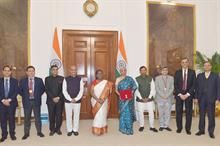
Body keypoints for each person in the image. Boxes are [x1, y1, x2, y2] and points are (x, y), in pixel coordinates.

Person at [195, 61, 220, 139]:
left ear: (210, 67)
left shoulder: (216, 76)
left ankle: (211, 131)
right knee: (201, 115)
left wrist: (218, 98)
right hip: (201, 99)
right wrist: (195, 97)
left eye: (208, 65)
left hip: (211, 99)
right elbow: (197, 88)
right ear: (203, 67)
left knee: (211, 116)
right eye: (205, 65)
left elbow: (218, 88)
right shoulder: (199, 76)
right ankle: (201, 130)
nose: (206, 67)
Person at [19, 66, 45, 140]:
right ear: (26, 72)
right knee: (27, 118)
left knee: (38, 118)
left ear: (34, 72)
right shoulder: (22, 81)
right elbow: (20, 91)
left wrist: (36, 95)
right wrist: (25, 96)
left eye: (32, 71)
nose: (31, 72)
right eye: (29, 71)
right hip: (27, 102)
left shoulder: (39, 80)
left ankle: (39, 132)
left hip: (36, 101)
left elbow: (43, 89)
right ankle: (26, 133)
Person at [174, 58, 196, 135]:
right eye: (183, 62)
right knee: (178, 112)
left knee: (189, 112)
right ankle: (179, 128)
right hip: (179, 95)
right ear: (181, 63)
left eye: (186, 62)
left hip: (189, 96)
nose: (184, 63)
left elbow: (194, 85)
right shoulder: (177, 72)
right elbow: (175, 85)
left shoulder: (192, 72)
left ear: (188, 63)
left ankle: (188, 129)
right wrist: (180, 94)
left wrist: (187, 94)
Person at [62, 65, 84, 136]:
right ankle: (69, 130)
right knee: (68, 115)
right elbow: (64, 90)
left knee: (76, 115)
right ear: (69, 70)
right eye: (72, 70)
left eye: (75, 70)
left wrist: (76, 99)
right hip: (68, 101)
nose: (73, 71)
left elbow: (81, 90)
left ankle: (75, 129)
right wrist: (70, 99)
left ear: (76, 71)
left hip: (77, 101)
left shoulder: (80, 79)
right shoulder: (66, 79)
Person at [135, 66, 158, 133]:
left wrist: (149, 97)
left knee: (151, 113)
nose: (143, 71)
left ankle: (152, 126)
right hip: (140, 99)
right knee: (140, 113)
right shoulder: (137, 79)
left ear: (146, 71)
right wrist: (141, 98)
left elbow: (153, 89)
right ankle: (141, 126)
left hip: (149, 99)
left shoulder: (150, 78)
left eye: (144, 70)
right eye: (141, 70)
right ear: (140, 71)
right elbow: (136, 90)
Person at [90, 69, 112, 136]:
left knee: (103, 114)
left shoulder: (106, 82)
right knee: (97, 115)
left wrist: (103, 98)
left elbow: (109, 92)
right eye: (98, 73)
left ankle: (103, 128)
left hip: (104, 101)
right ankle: (96, 130)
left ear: (103, 74)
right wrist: (97, 99)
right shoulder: (94, 82)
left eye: (101, 73)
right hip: (96, 101)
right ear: (96, 75)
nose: (100, 75)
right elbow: (91, 92)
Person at [115, 67, 137, 135]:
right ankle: (123, 128)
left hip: (129, 99)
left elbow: (134, 86)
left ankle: (129, 129)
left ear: (126, 71)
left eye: (124, 70)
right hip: (122, 99)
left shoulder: (130, 78)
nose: (123, 72)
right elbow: (116, 90)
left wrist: (131, 93)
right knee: (123, 113)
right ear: (120, 72)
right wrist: (120, 95)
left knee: (129, 113)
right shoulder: (117, 79)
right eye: (122, 71)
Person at [0, 65, 18, 142]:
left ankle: (12, 134)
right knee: (2, 120)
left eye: (8, 70)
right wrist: (3, 100)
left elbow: (16, 91)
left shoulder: (15, 81)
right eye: (5, 70)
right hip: (1, 103)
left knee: (11, 119)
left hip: (12, 103)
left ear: (10, 72)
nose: (7, 72)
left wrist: (9, 100)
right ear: (2, 72)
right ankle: (4, 135)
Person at [45, 65, 64, 136]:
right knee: (51, 115)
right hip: (50, 101)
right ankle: (52, 129)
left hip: (60, 100)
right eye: (53, 69)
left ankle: (58, 129)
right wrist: (53, 97)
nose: (55, 71)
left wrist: (58, 97)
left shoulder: (62, 78)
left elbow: (63, 90)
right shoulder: (47, 79)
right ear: (51, 70)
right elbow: (47, 90)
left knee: (59, 116)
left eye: (56, 69)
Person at [155, 66, 174, 131]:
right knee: (161, 112)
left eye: (166, 70)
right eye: (163, 70)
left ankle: (166, 125)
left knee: (167, 112)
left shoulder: (171, 78)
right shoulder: (157, 78)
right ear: (161, 71)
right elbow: (157, 88)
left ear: (167, 71)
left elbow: (172, 87)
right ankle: (161, 125)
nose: (165, 71)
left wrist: (167, 95)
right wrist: (163, 95)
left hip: (168, 98)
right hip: (160, 97)